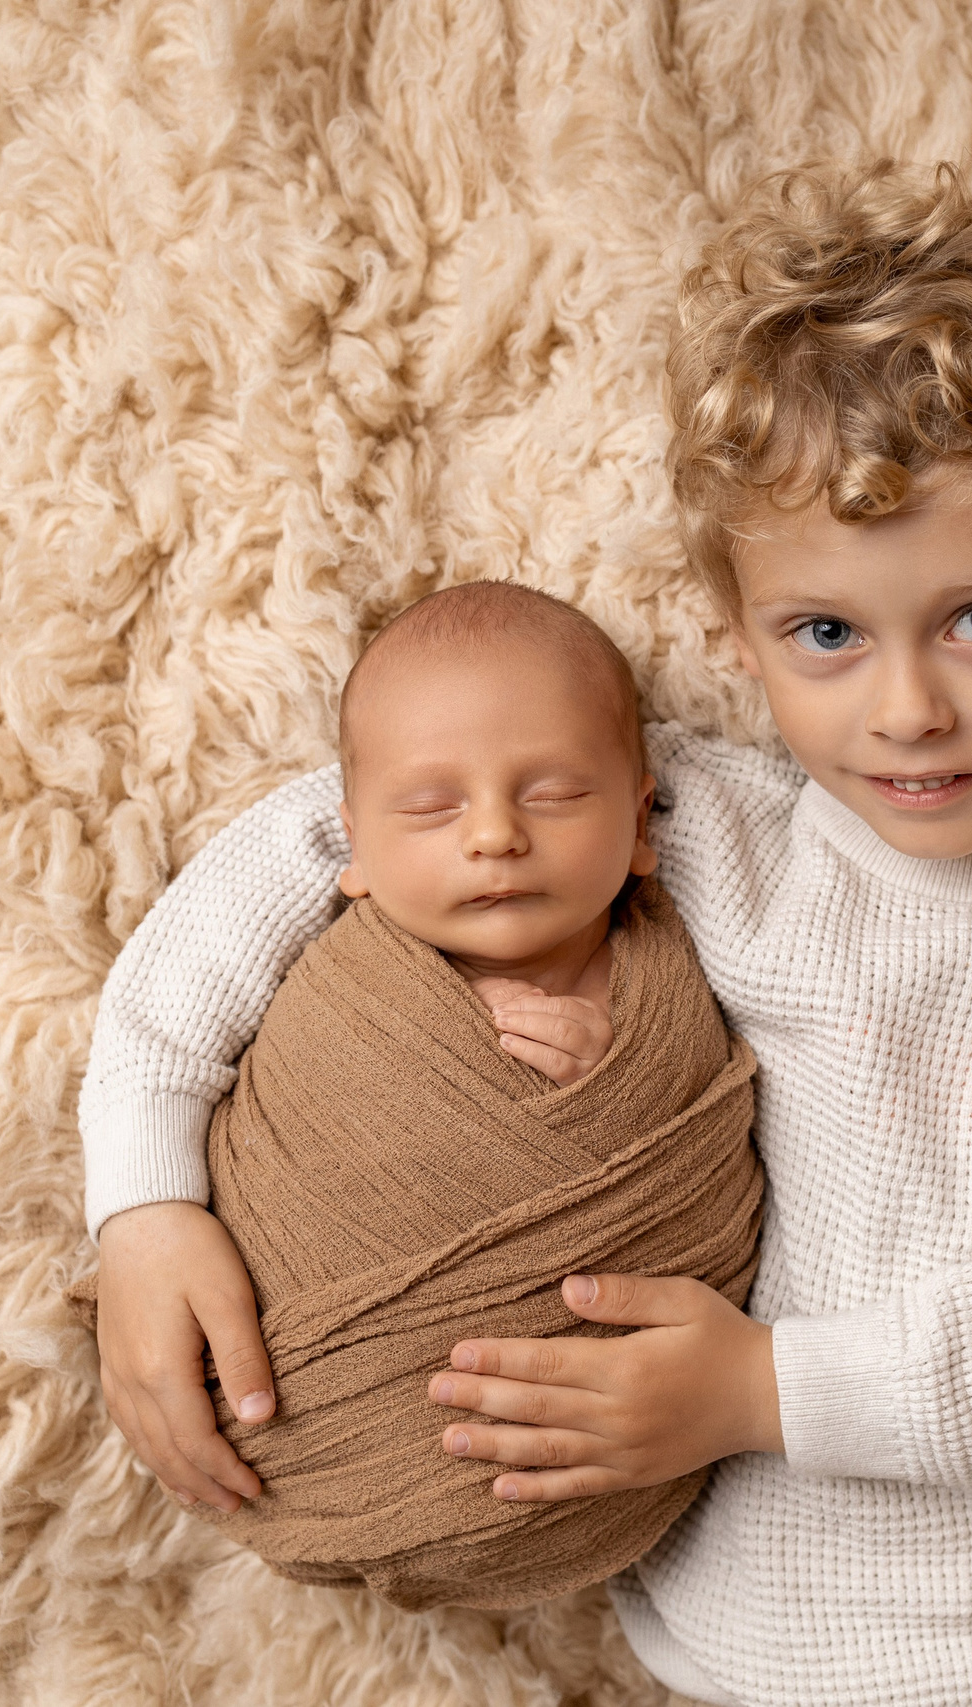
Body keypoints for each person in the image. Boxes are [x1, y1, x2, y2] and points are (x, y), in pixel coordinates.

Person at [80, 163, 972, 1707]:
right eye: (827, 634)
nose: (907, 708)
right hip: (764, 1645)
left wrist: (769, 1387)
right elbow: (342, 824)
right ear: (735, 626)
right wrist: (144, 1194)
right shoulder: (712, 830)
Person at [72, 581, 763, 1609]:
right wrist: (144, 1212)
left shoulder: (681, 964)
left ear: (642, 818)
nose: (493, 835)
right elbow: (163, 1026)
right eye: (432, 806)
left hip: (620, 1465)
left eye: (556, 795)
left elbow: (716, 1144)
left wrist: (631, 1076)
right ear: (351, 848)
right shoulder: (324, 958)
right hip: (287, 1429)